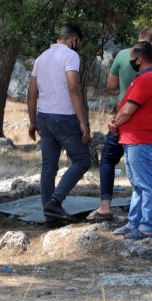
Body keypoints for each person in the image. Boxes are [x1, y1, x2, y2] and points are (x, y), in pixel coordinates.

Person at [89, 28, 152, 221]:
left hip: (127, 122)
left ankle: (111, 208)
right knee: (144, 170)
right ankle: (139, 219)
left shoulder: (123, 57)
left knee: (112, 161)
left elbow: (111, 85)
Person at [27, 23, 91, 224]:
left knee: (49, 167)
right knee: (82, 160)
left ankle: (50, 217)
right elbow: (73, 87)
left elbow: (31, 93)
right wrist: (83, 121)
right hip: (64, 116)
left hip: (44, 117)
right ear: (74, 40)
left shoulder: (41, 58)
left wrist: (32, 122)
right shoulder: (71, 56)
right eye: (78, 43)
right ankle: (55, 201)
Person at [109, 41, 152, 240]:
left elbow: (128, 110)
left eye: (132, 59)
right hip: (133, 138)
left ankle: (147, 226)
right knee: (138, 184)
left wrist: (115, 123)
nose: (130, 62)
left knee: (146, 184)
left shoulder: (146, 79)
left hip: (138, 139)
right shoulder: (148, 78)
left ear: (139, 59)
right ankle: (134, 223)